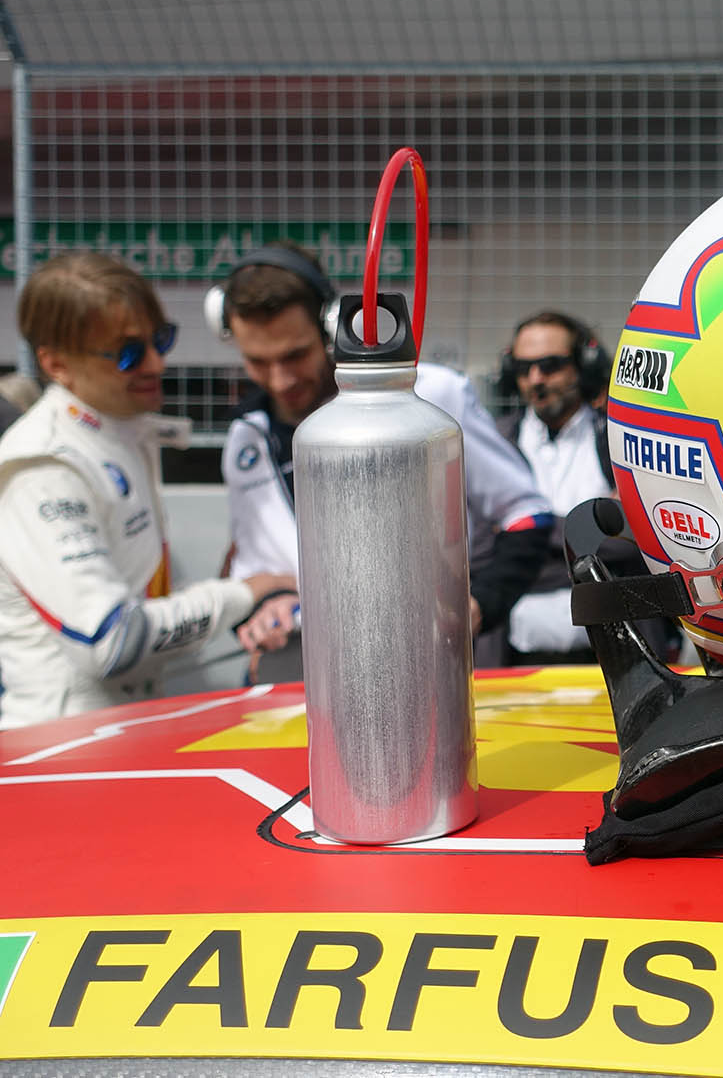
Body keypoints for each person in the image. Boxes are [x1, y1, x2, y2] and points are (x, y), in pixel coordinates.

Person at [211, 245, 552, 675]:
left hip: (430, 666)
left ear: (329, 327)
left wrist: (478, 604)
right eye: (258, 362)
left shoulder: (432, 397)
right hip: (306, 674)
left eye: (295, 355)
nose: (280, 380)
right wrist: (267, 608)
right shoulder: (246, 439)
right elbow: (254, 567)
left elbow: (527, 515)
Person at [0, 252, 294, 727]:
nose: (156, 363)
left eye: (161, 339)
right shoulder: (43, 467)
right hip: (56, 744)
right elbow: (112, 641)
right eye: (127, 353)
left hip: (121, 730)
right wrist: (246, 592)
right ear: (56, 363)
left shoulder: (122, 434)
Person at [490, 311, 614, 663]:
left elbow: (631, 542)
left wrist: (524, 536)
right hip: (512, 658)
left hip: (610, 656)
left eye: (550, 366)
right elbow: (483, 549)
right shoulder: (494, 444)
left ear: (583, 366)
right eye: (523, 368)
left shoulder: (618, 440)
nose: (535, 379)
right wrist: (588, 534)